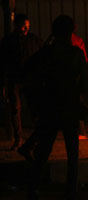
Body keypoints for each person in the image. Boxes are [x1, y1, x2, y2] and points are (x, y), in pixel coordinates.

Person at [26, 15, 88, 200]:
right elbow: (85, 85)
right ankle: (71, 191)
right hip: (69, 106)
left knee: (43, 151)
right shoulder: (75, 54)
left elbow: (29, 73)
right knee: (73, 153)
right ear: (71, 31)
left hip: (49, 107)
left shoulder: (45, 53)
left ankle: (33, 187)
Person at [0, 14, 43, 150]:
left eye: (28, 26)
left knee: (34, 109)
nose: (26, 28)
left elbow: (43, 58)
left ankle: (37, 138)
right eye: (24, 25)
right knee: (15, 109)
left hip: (30, 79)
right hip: (14, 79)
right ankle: (19, 138)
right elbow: (2, 63)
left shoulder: (34, 40)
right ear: (16, 25)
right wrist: (3, 83)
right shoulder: (8, 42)